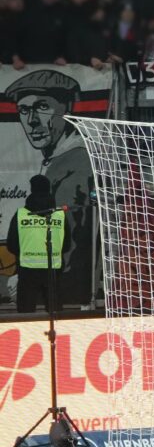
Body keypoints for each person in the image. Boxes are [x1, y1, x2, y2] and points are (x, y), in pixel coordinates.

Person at [3, 69, 94, 306]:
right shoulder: (57, 161)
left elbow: (74, 243)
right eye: (24, 110)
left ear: (67, 109)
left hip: (64, 288)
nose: (32, 120)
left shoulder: (75, 163)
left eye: (42, 107)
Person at [4, 175, 67, 315]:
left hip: (27, 270)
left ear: (32, 190)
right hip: (53, 269)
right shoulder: (59, 215)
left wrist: (26, 253)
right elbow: (67, 244)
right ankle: (57, 336)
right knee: (55, 314)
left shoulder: (21, 214)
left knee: (26, 313)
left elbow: (11, 244)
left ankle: (26, 336)